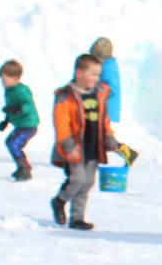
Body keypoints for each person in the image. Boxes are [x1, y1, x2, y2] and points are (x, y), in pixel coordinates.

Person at [50, 53, 117, 232]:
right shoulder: (66, 96)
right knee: (78, 180)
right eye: (93, 74)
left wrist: (109, 138)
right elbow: (61, 124)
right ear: (78, 73)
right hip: (74, 147)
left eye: (98, 75)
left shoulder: (99, 94)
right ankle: (60, 201)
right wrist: (67, 145)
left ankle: (77, 218)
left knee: (87, 183)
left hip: (93, 146)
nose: (97, 78)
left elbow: (104, 121)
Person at [88, 38, 139, 166]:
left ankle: (127, 153)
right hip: (102, 106)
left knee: (102, 134)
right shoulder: (105, 66)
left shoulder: (109, 67)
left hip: (105, 107)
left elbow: (112, 88)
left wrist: (96, 90)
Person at [0, 60, 39, 182]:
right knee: (11, 143)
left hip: (29, 125)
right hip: (21, 125)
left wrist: (18, 110)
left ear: (15, 78)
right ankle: (22, 167)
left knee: (13, 144)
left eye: (5, 80)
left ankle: (24, 168)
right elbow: (11, 107)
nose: (3, 83)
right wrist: (6, 120)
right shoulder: (9, 91)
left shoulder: (22, 91)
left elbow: (28, 106)